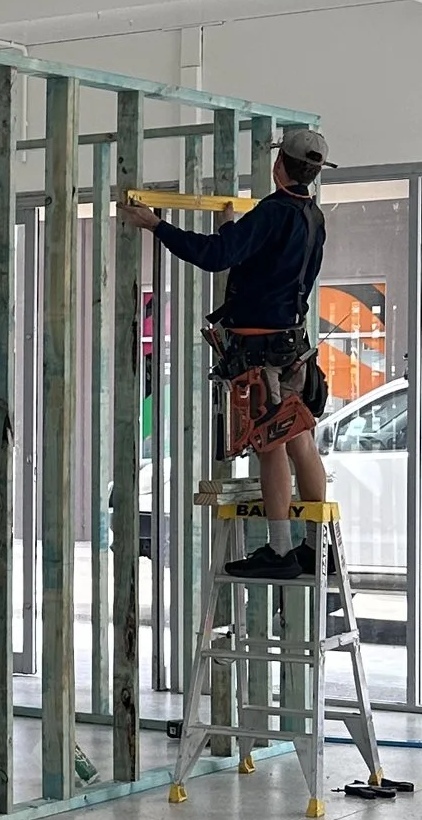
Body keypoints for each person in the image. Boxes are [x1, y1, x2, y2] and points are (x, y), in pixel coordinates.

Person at [120, 130, 331, 580]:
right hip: (292, 345)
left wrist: (156, 224)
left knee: (270, 446)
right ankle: (315, 547)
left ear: (279, 167)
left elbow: (215, 257)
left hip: (261, 352)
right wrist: (238, 231)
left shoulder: (273, 212)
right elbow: (269, 263)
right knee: (300, 440)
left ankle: (279, 552)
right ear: (312, 173)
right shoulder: (313, 217)